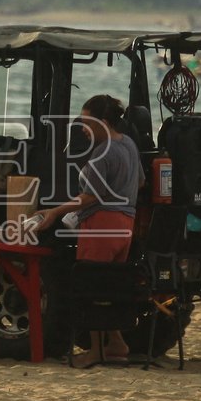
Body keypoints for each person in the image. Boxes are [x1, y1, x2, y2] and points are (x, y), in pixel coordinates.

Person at [35, 94, 143, 362]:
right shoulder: (128, 144)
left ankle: (96, 351)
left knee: (91, 287)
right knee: (109, 286)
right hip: (126, 224)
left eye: (86, 122)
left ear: (103, 122)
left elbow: (89, 197)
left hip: (102, 224)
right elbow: (140, 182)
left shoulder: (102, 152)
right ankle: (116, 343)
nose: (82, 128)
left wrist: (54, 212)